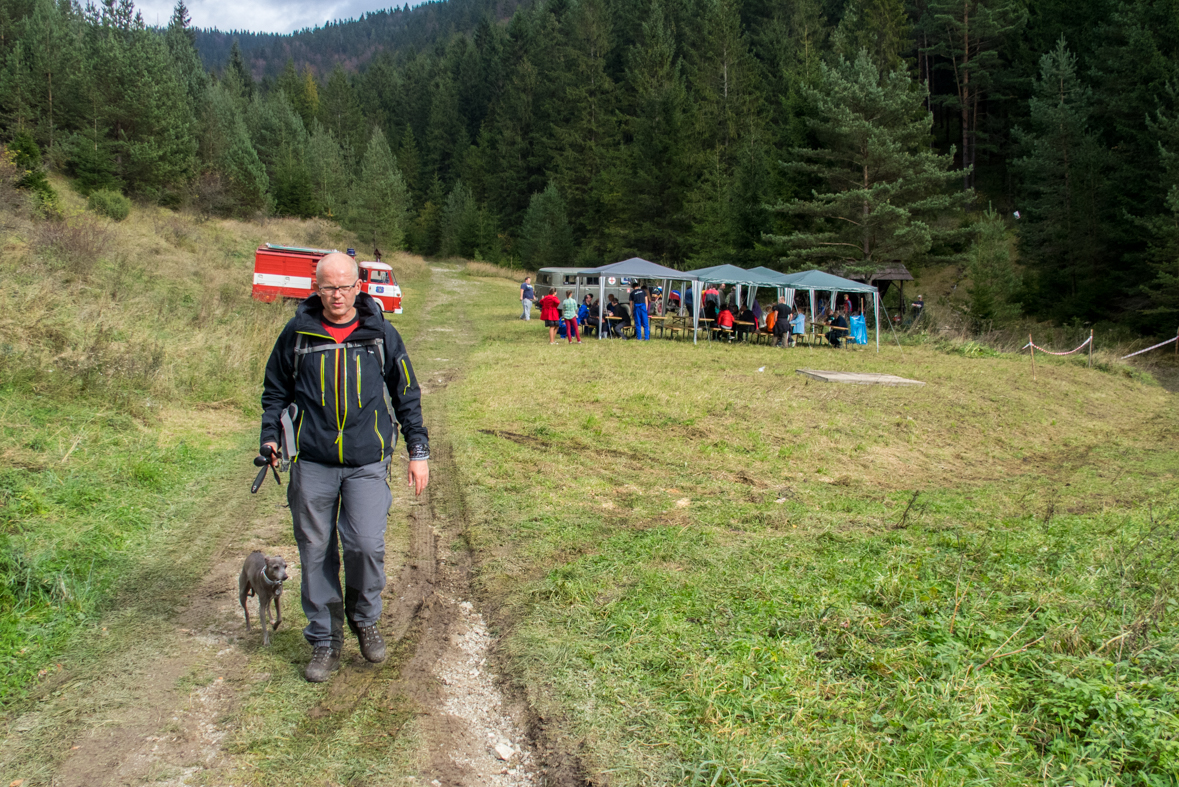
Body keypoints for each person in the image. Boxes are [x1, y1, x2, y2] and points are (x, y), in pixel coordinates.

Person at [260, 252, 429, 683]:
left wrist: (418, 450)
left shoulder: (381, 334)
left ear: (359, 287)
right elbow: (275, 389)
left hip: (366, 463)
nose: (337, 295)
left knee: (366, 547)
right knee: (316, 552)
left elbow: (405, 392)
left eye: (345, 286)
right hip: (312, 463)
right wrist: (270, 436)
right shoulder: (297, 333)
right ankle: (324, 639)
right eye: (328, 287)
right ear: (316, 289)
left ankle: (364, 619)